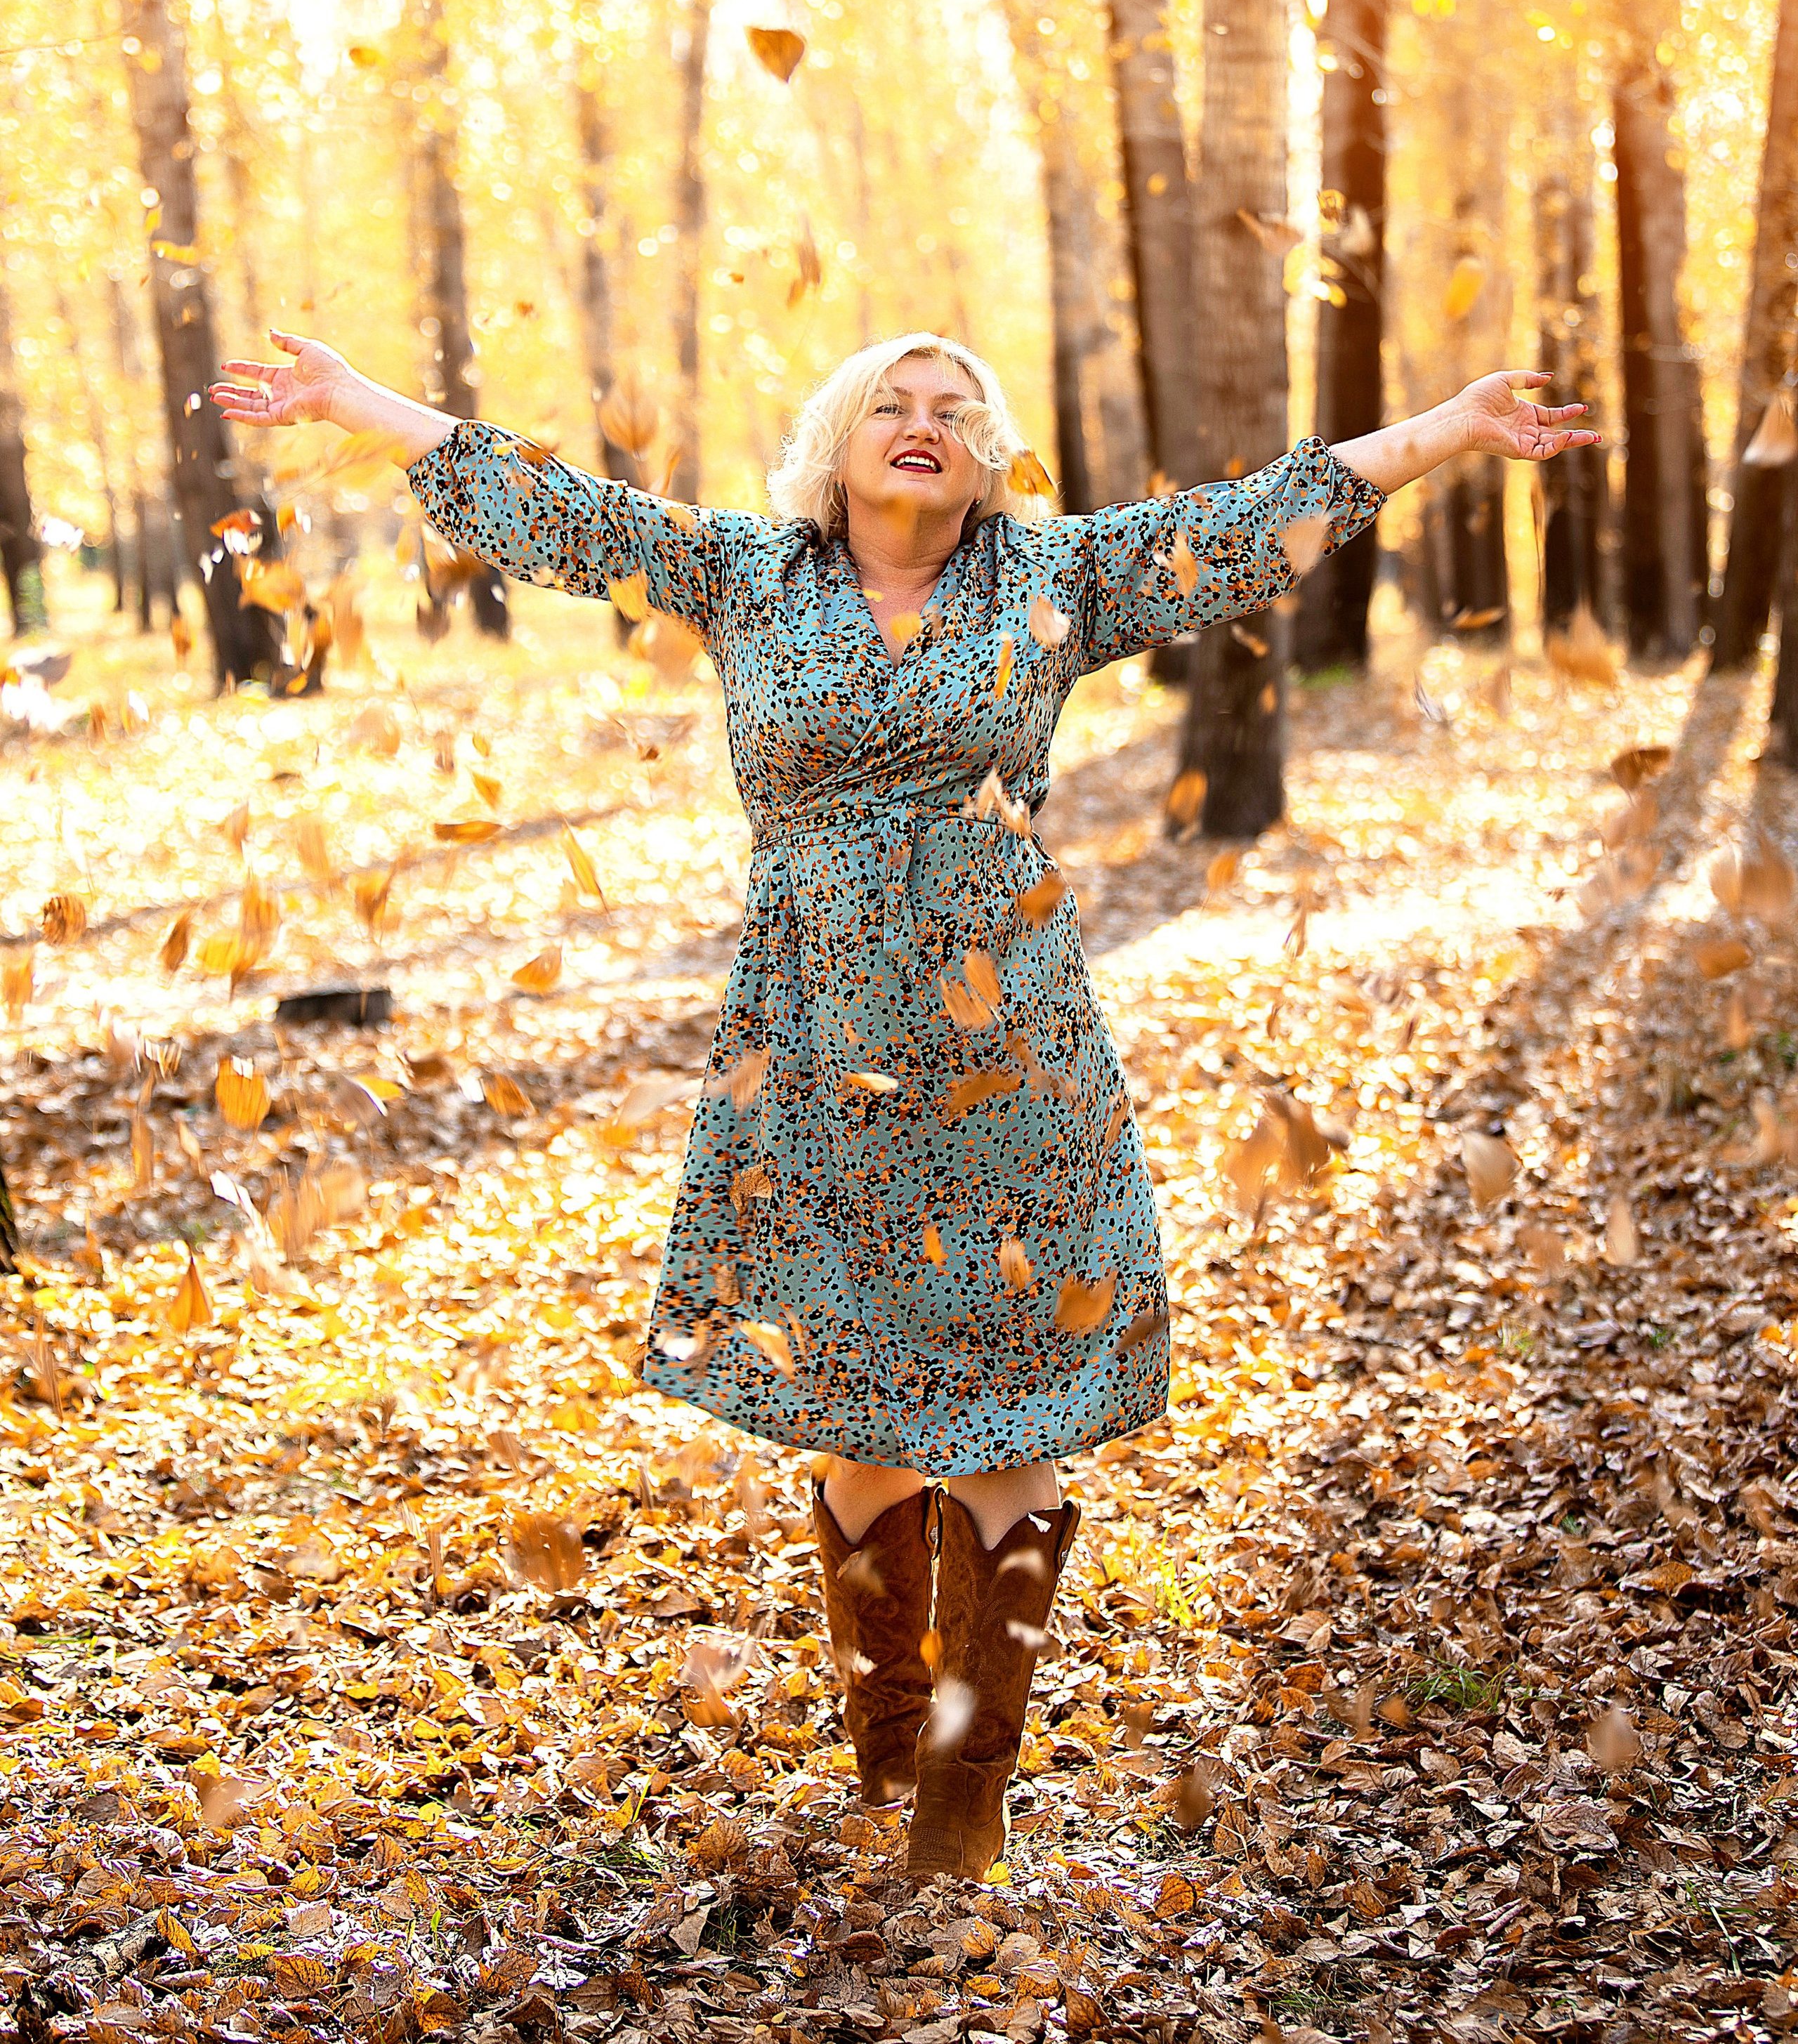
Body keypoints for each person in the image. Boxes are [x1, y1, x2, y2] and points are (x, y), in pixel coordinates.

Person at [211, 329, 1596, 1879]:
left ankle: (961, 1791)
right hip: (808, 1048)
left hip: (1010, 1050)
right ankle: (884, 1755)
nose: (922, 426)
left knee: (1008, 1411)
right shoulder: (750, 574)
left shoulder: (1050, 579)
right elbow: (560, 513)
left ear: (987, 453)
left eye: (954, 411)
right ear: (838, 436)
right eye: (892, 403)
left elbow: (1245, 524)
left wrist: (1447, 432)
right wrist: (351, 405)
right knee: (855, 1418)